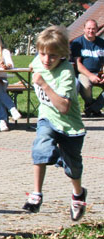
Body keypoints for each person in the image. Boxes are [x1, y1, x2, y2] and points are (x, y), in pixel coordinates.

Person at [24, 26, 87, 221]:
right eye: (42, 54)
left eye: (52, 56)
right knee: (41, 147)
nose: (46, 60)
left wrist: (44, 84)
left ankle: (78, 194)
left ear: (61, 55)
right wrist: (34, 67)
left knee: (73, 168)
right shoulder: (39, 60)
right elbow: (34, 64)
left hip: (70, 126)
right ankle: (36, 194)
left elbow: (64, 107)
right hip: (47, 119)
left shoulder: (67, 72)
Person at [70, 19, 104, 117]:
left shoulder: (102, 43)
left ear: (97, 29)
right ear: (84, 29)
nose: (91, 31)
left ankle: (92, 108)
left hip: (100, 72)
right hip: (84, 73)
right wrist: (90, 76)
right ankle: (93, 108)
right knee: (85, 86)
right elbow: (78, 64)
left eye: (93, 29)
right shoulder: (78, 43)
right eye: (88, 28)